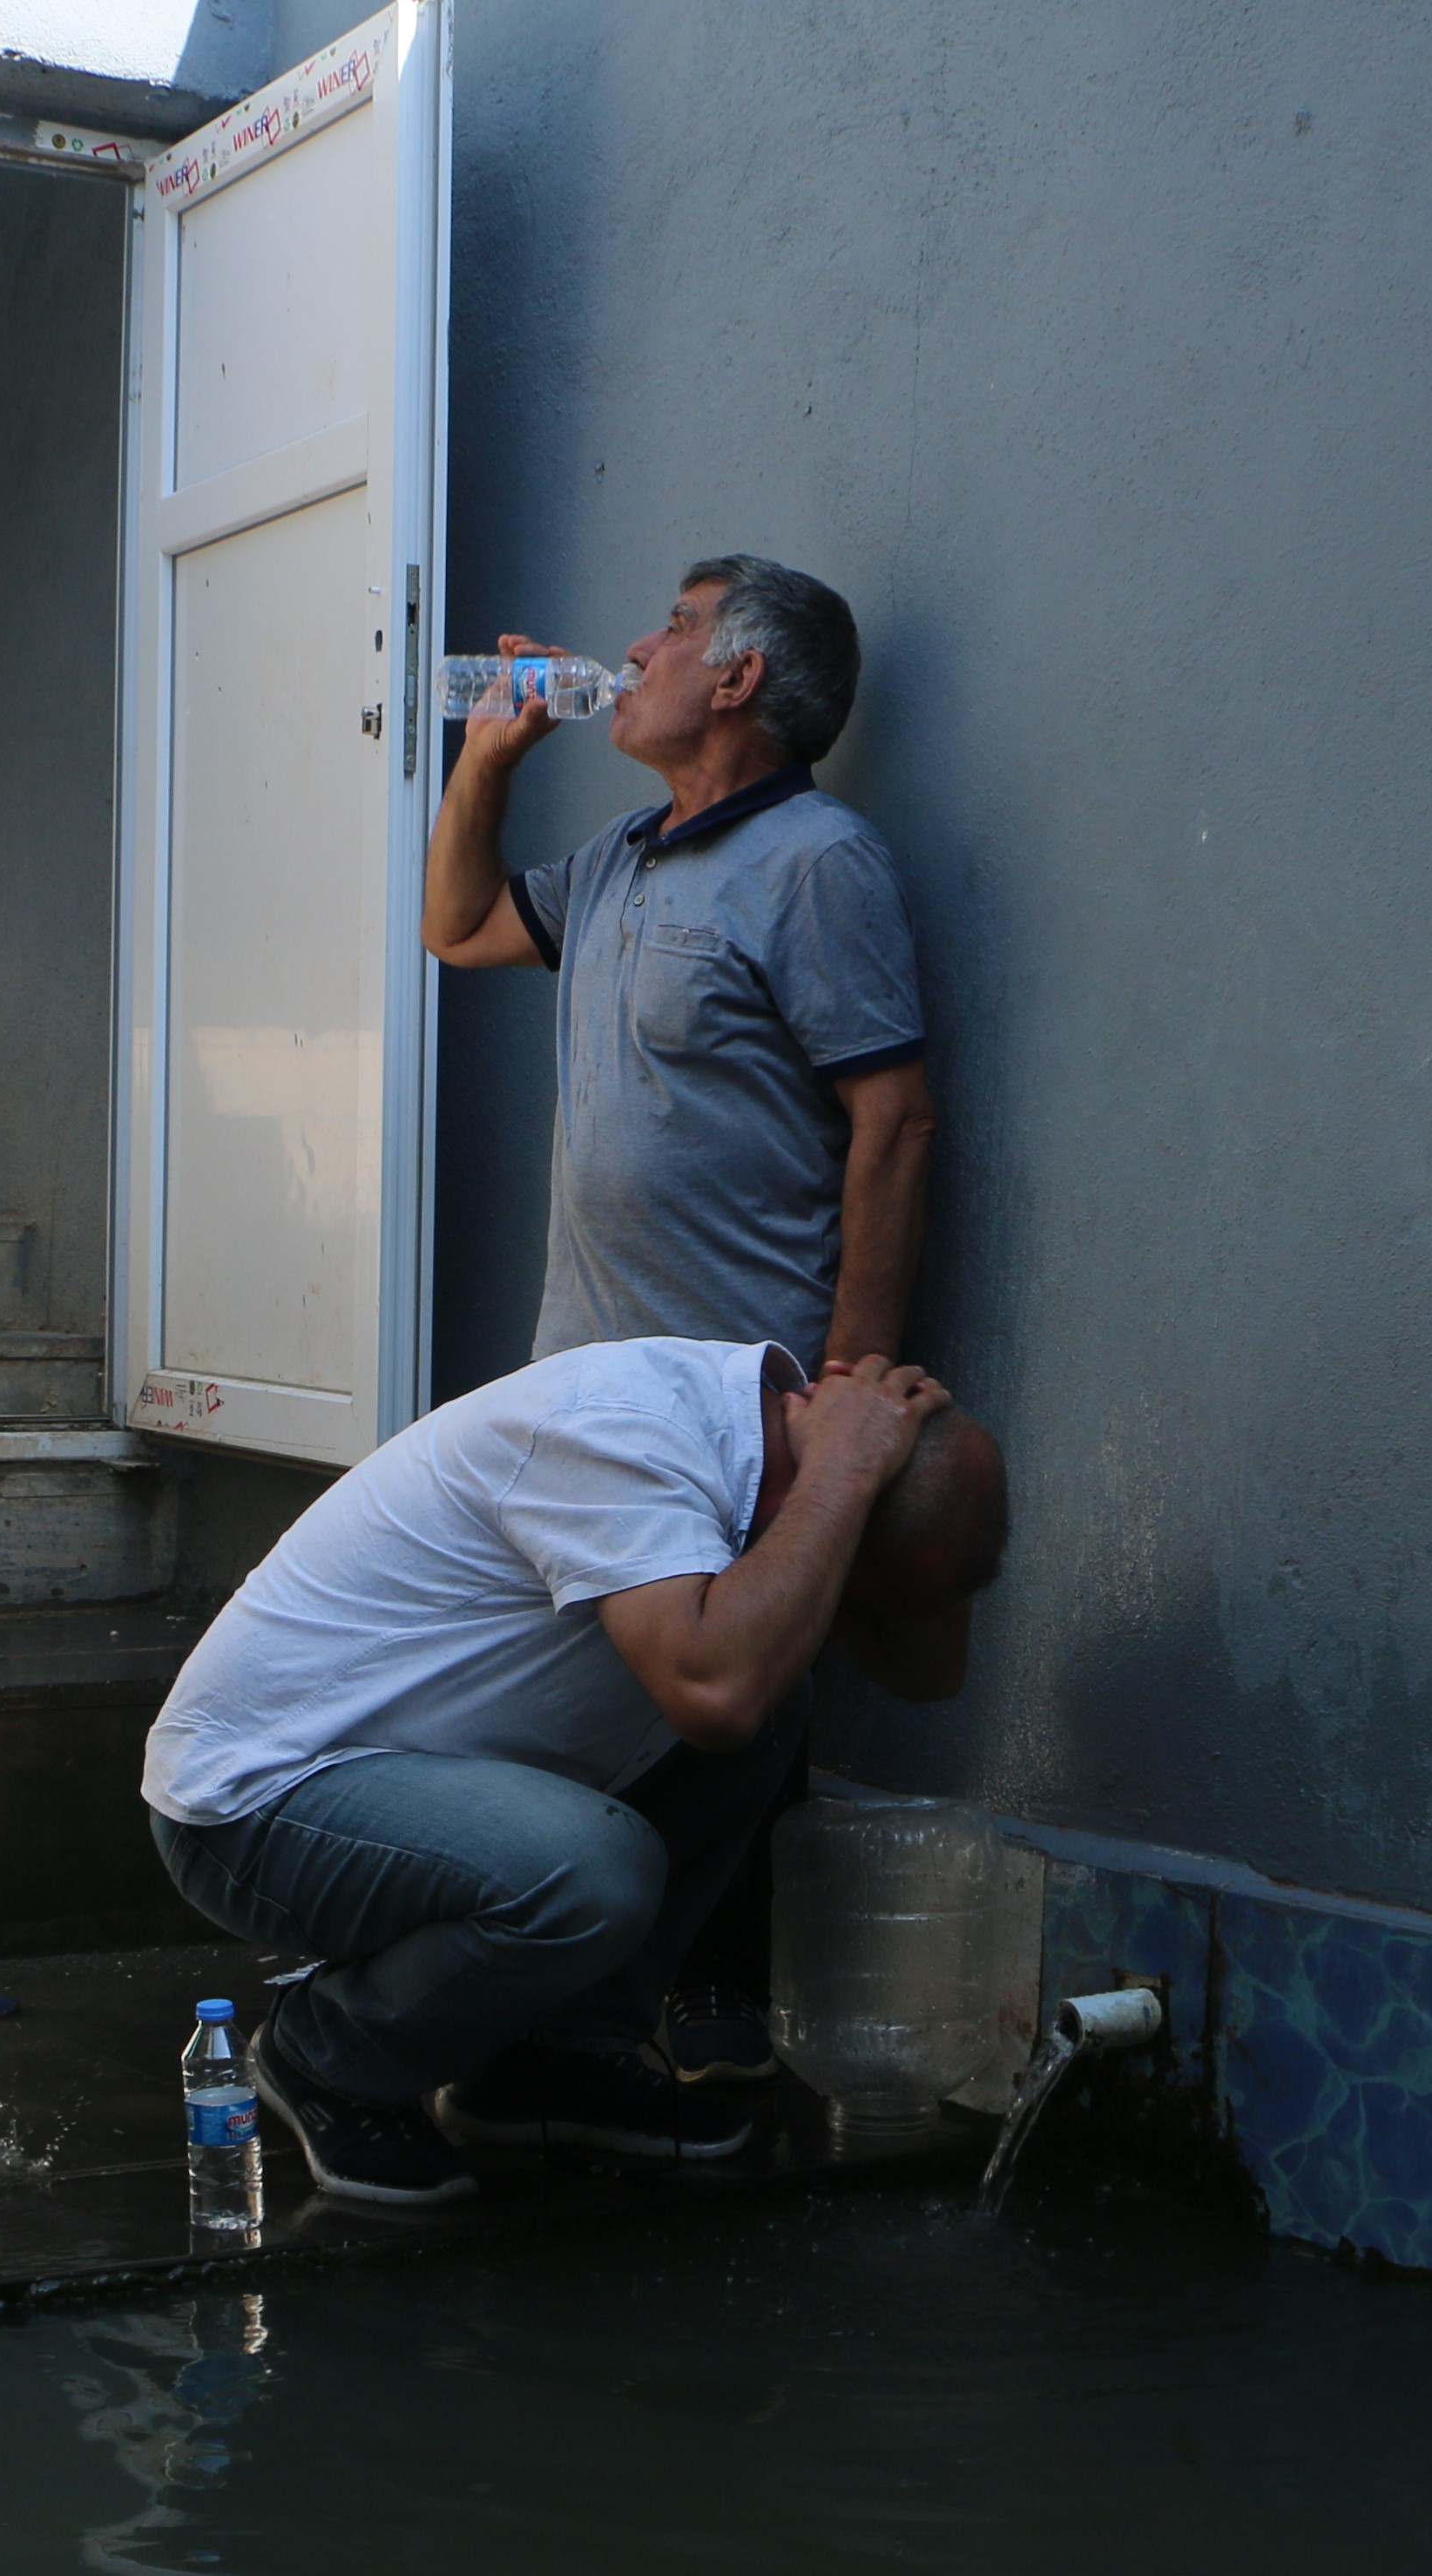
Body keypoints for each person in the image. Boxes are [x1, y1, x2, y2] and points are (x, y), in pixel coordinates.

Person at [420, 555, 933, 2092]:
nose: (632, 646)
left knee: (725, 1715)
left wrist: (842, 1386)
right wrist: (484, 759)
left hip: (736, 1390)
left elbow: (893, 1119)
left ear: (737, 681)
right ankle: (578, 2018)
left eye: (675, 625)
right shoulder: (626, 856)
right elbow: (457, 932)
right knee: (600, 1707)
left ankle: (694, 2027)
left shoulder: (818, 862)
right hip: (587, 1381)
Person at [142, 1342, 1007, 2206]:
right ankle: (326, 2053)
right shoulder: (628, 1431)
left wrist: (862, 1482)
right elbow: (717, 1693)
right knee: (601, 1863)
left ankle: (554, 2060)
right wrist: (846, 1476)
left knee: (774, 1687)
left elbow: (930, 1677)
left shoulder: (766, 1467)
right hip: (257, 1807)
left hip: (425, 1778)